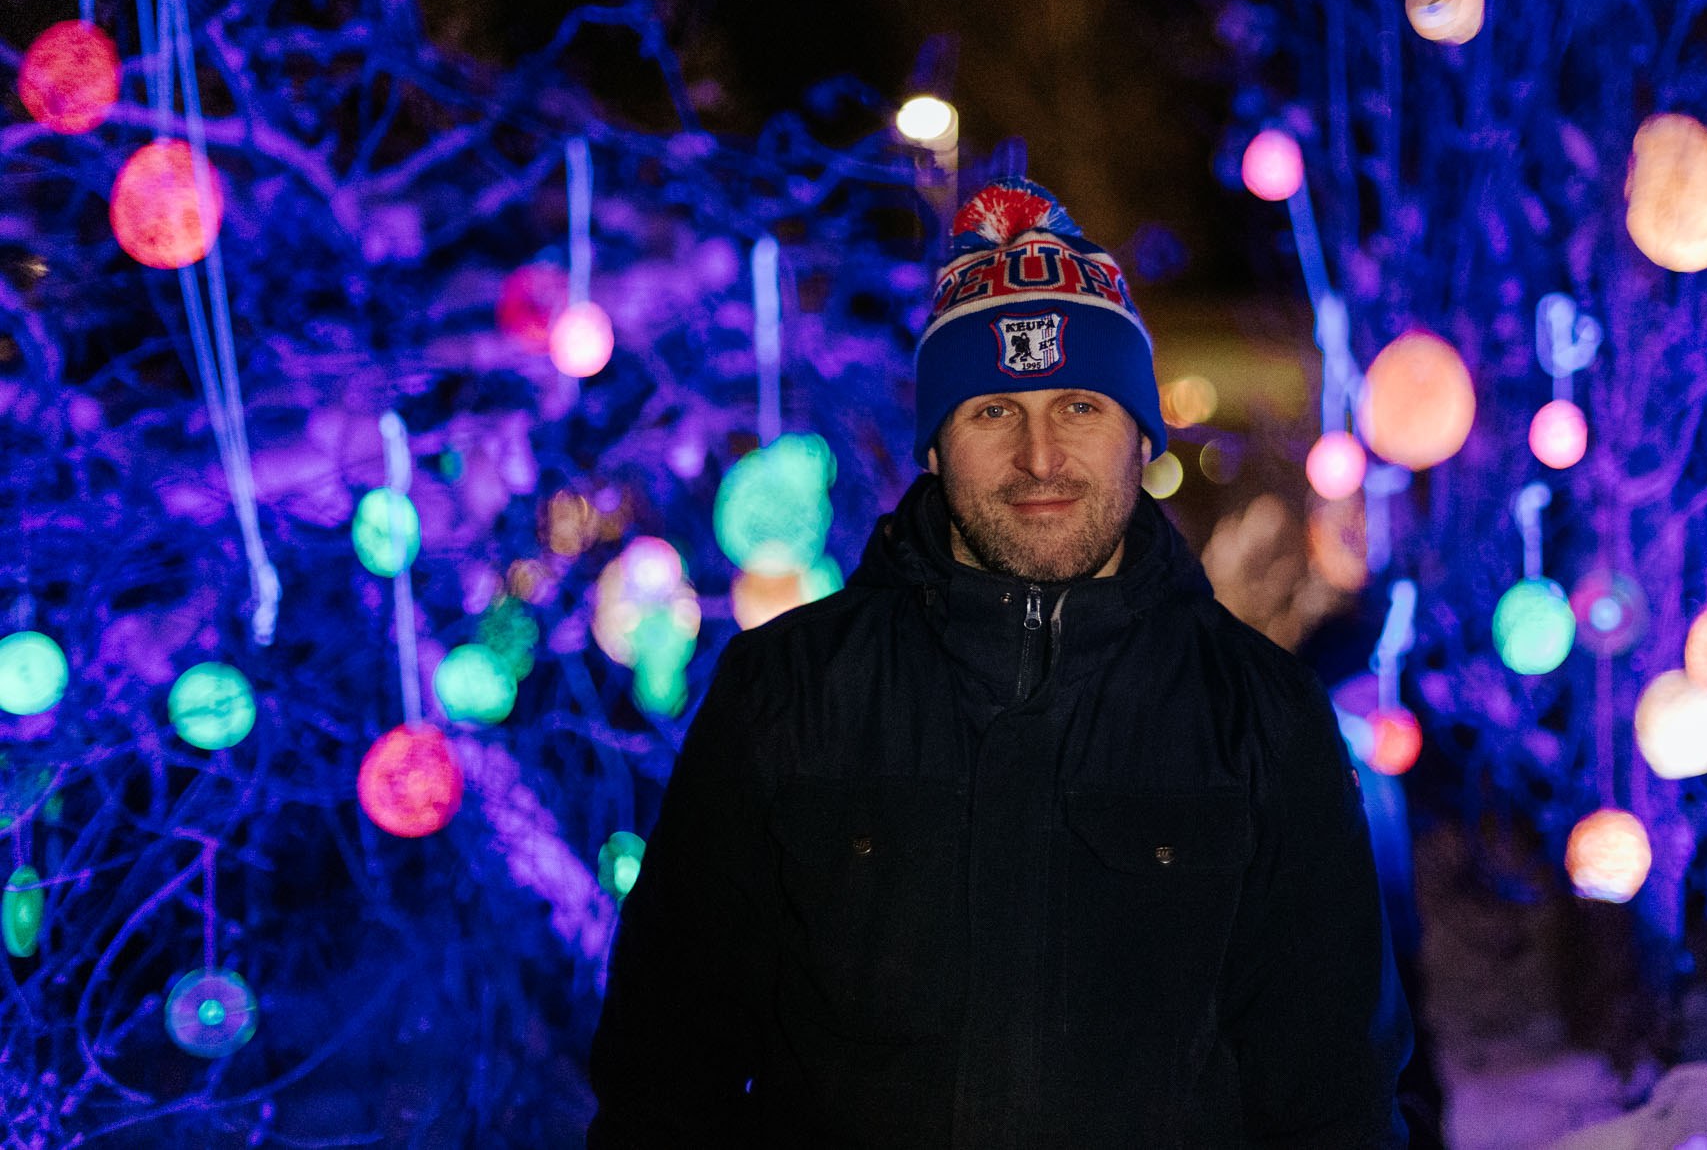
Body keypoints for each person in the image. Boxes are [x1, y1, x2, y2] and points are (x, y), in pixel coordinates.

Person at [587, 178, 1411, 1147]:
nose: (1039, 457)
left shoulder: (1260, 719)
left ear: (1139, 436)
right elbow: (664, 1080)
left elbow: (1333, 1104)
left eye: (1079, 405)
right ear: (935, 446)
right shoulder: (787, 695)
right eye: (991, 412)